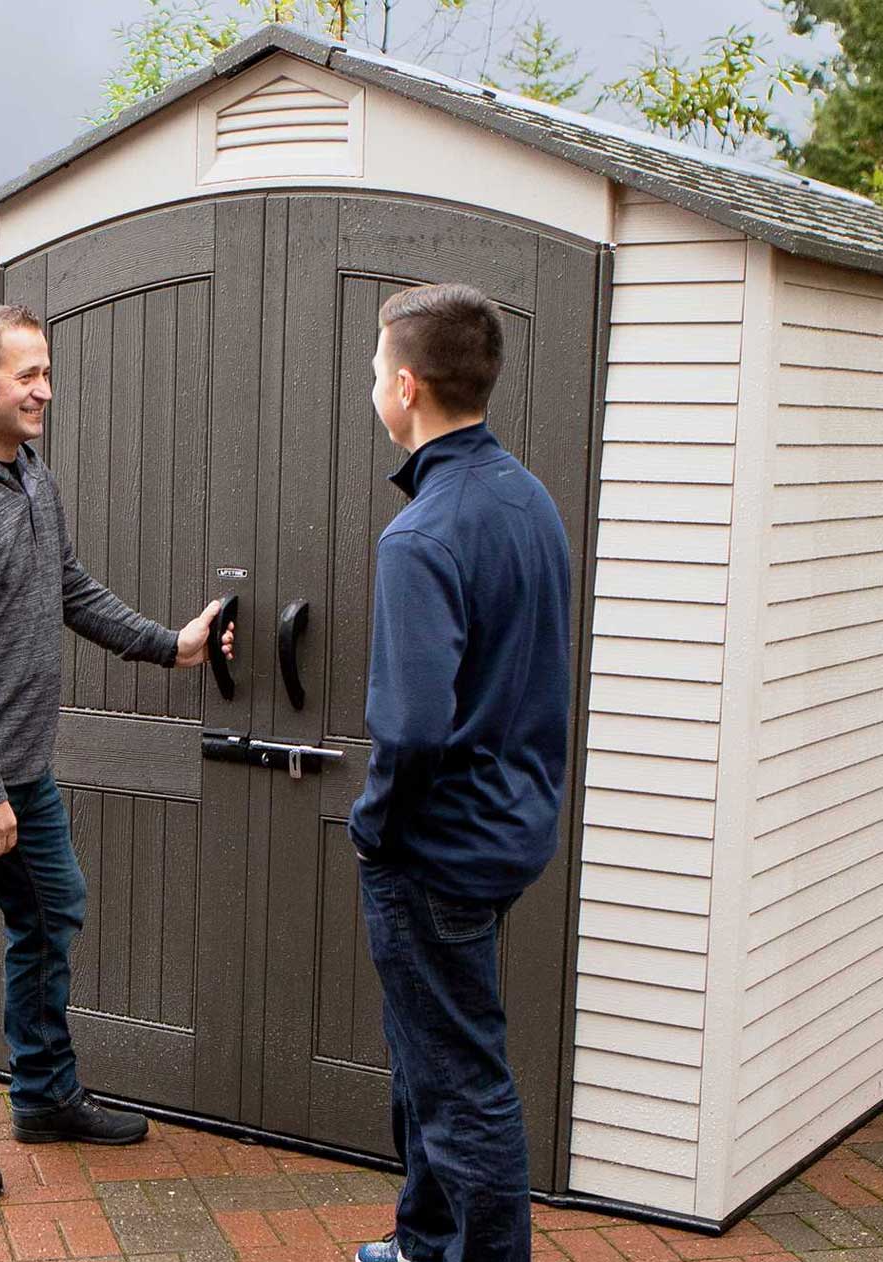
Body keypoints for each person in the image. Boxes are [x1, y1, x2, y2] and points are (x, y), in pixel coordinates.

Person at [0, 303, 234, 1200]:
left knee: (50, 912)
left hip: (16, 771)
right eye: (27, 374)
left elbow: (65, 585)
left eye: (45, 371)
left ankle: (42, 1094)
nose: (44, 389)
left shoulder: (27, 475)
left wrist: (168, 645)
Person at [349, 283, 572, 1262]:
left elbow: (410, 728)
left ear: (406, 385)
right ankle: (421, 1240)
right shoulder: (527, 500)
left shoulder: (422, 534)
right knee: (425, 1057)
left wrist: (375, 826)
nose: (370, 386)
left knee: (459, 1083)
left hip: (436, 854)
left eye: (372, 370)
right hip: (508, 830)